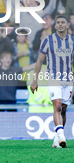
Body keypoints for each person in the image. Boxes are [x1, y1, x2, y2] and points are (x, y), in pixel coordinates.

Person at [31, 15, 74, 148]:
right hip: (54, 77)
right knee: (57, 106)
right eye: (58, 23)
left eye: (63, 22)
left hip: (68, 79)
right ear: (55, 26)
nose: (61, 24)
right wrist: (34, 80)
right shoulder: (47, 40)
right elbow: (39, 61)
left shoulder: (72, 41)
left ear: (67, 25)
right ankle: (61, 136)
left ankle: (57, 138)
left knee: (64, 109)